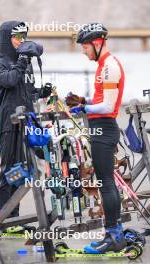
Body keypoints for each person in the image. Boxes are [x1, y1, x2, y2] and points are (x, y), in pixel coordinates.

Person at [65, 22, 126, 253]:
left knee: (106, 183)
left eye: (85, 46)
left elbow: (109, 106)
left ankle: (114, 237)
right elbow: (101, 102)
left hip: (105, 128)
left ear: (97, 43)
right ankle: (113, 234)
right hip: (101, 127)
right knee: (105, 182)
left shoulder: (109, 66)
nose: (83, 51)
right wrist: (83, 102)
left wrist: (85, 109)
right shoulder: (103, 65)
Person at [0, 21, 51, 227]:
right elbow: (10, 81)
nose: (22, 41)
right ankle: (2, 220)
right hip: (8, 124)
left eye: (24, 36)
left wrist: (41, 92)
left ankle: (14, 219)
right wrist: (23, 60)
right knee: (9, 171)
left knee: (23, 172)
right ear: (7, 39)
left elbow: (26, 91)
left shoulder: (24, 64)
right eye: (17, 37)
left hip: (26, 123)